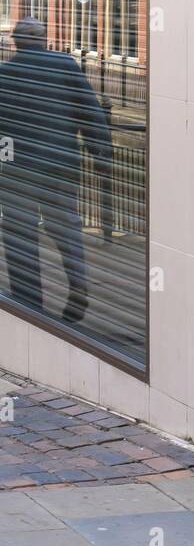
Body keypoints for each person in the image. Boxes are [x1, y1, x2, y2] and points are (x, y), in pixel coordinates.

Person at [0, 18, 111, 322]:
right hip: (62, 164)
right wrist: (101, 155)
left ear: (15, 42)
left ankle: (29, 303)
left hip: (17, 169)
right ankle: (79, 282)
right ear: (44, 40)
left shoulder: (4, 74)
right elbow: (91, 112)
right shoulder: (65, 65)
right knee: (65, 225)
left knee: (19, 230)